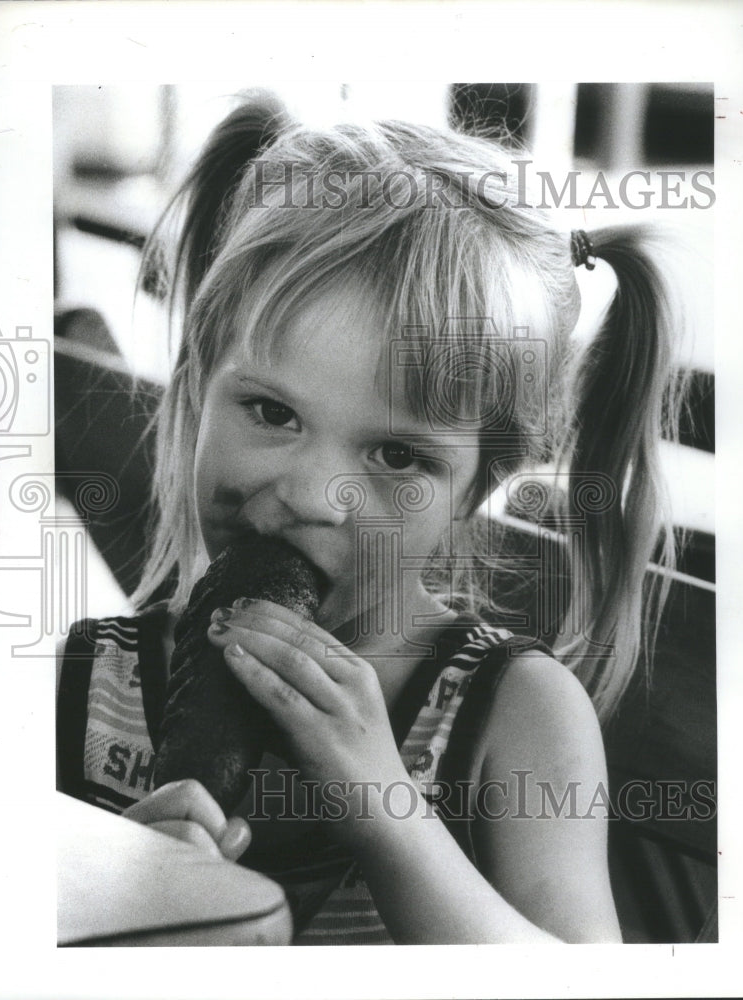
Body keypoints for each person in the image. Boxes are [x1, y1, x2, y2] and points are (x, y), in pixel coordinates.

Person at [57, 93, 685, 944]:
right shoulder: (89, 684)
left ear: (475, 490)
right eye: (272, 411)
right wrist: (121, 888)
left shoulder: (518, 714)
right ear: (201, 384)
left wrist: (386, 812)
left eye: (396, 457)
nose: (316, 495)